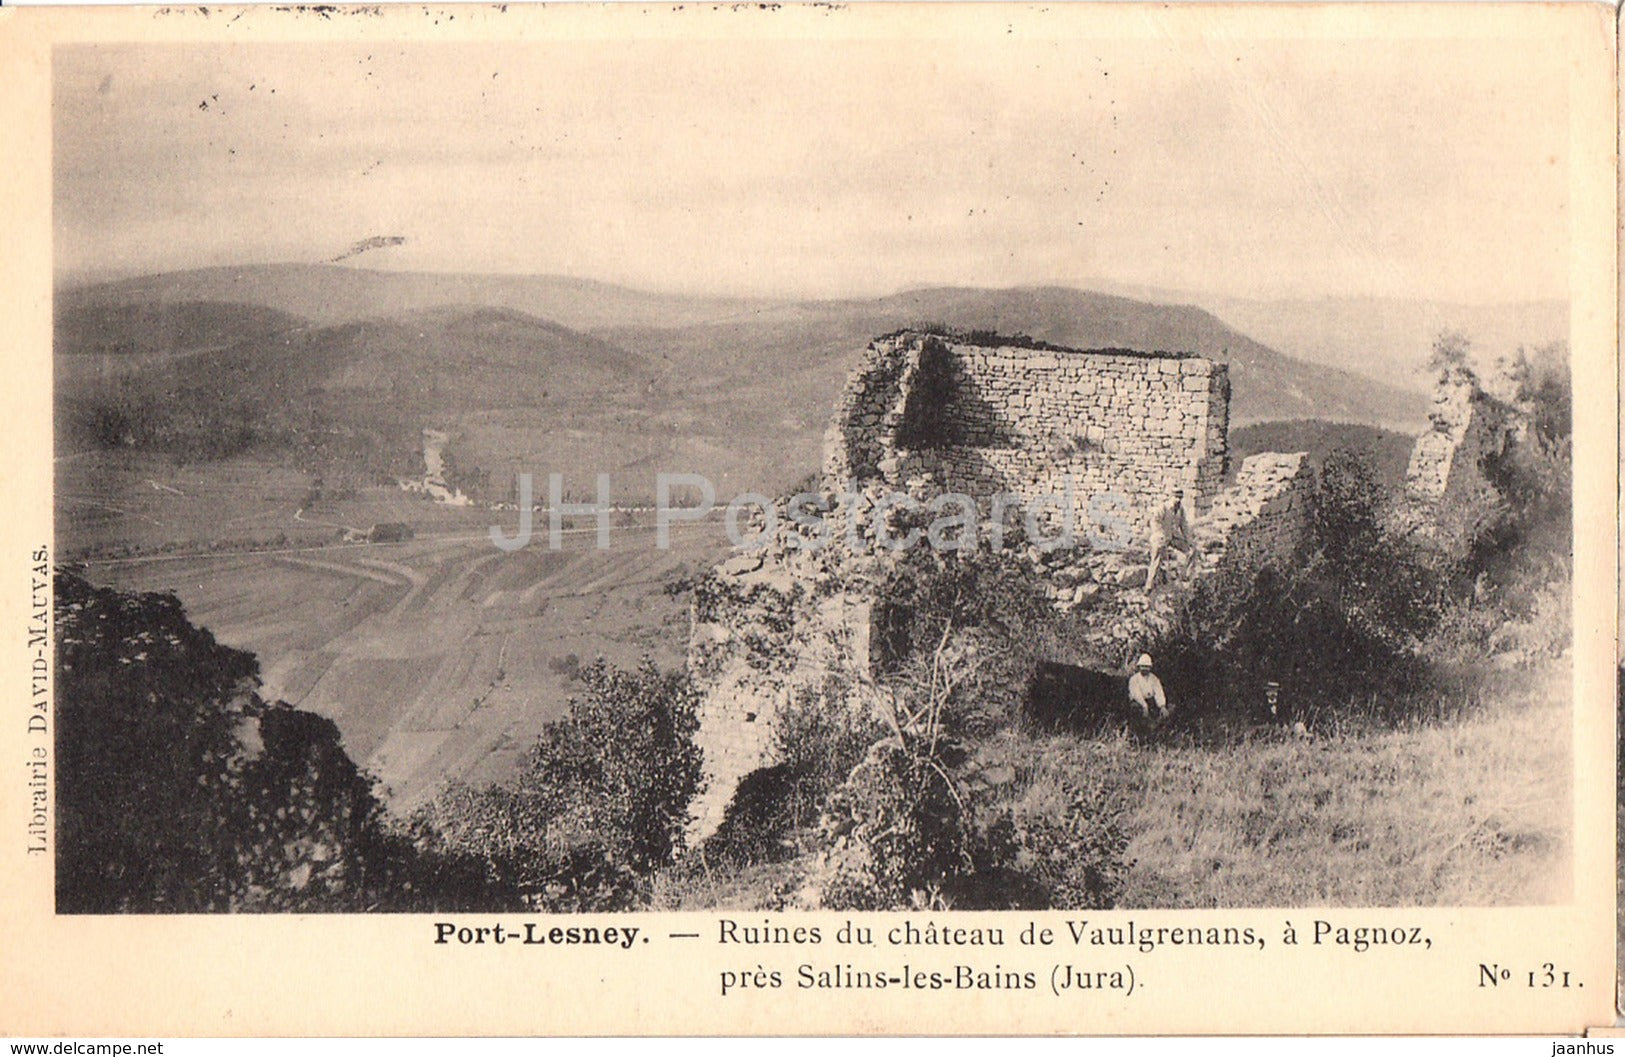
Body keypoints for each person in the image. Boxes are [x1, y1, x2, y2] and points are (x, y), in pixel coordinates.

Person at [1145, 488, 1192, 590]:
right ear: (1171, 497)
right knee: (1156, 560)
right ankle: (1149, 585)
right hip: (1159, 538)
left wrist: (1189, 540)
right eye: (1176, 497)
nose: (1178, 500)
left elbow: (1184, 525)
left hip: (1172, 537)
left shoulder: (1180, 510)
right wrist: (1160, 533)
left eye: (1180, 498)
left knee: (1191, 551)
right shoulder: (1163, 508)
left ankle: (1185, 577)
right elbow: (1154, 521)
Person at [1127, 653, 1170, 724]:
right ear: (1139, 667)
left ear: (1150, 667)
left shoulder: (1154, 678)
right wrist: (1144, 705)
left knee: (1164, 712)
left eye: (1147, 666)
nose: (1145, 669)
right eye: (1143, 666)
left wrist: (1162, 706)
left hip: (1151, 702)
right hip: (1138, 703)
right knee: (1136, 711)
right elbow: (1136, 694)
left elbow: (1158, 691)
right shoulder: (1134, 679)